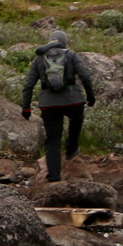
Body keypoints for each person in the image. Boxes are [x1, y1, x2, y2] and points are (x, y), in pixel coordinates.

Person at [21, 29, 96, 182]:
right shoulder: (71, 54)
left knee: (53, 140)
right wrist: (90, 96)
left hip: (49, 105)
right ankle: (71, 149)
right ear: (64, 42)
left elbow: (28, 85)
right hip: (73, 100)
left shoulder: (39, 59)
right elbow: (86, 77)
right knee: (76, 119)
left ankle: (54, 177)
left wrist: (26, 108)